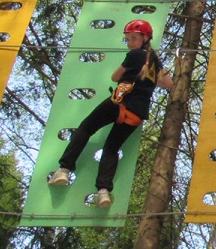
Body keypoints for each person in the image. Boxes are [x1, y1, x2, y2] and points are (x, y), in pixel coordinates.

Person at [47, 19, 173, 208]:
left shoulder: (135, 55)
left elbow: (115, 77)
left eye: (134, 38)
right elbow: (168, 84)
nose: (130, 42)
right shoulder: (155, 62)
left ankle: (64, 169)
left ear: (145, 38)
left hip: (119, 103)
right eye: (128, 39)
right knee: (111, 148)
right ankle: (103, 191)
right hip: (136, 114)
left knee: (86, 128)